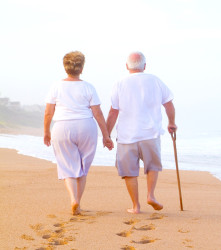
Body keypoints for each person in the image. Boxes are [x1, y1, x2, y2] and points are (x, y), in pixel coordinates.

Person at [44, 51, 114, 215]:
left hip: (62, 127)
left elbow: (48, 112)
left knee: (68, 167)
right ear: (81, 68)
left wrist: (46, 131)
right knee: (82, 168)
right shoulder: (88, 87)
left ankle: (73, 200)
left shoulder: (56, 86)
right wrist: (106, 136)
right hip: (86, 127)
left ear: (65, 67)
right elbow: (98, 113)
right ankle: (78, 204)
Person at [106, 51, 177, 214]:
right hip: (150, 133)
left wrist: (107, 134)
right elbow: (169, 105)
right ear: (145, 66)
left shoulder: (119, 83)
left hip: (126, 136)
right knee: (152, 166)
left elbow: (113, 112)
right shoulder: (155, 80)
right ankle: (151, 195)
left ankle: (135, 206)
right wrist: (171, 123)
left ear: (126, 66)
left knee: (129, 172)